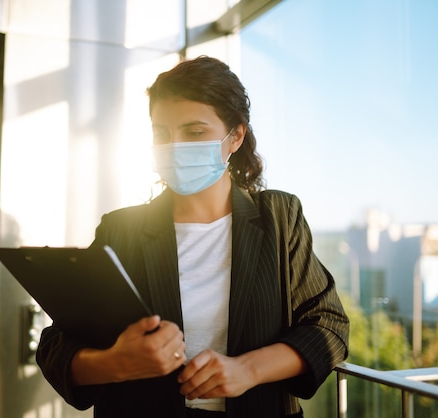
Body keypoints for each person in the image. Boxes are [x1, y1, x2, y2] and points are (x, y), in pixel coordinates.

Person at [36, 56, 349, 418]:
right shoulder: (121, 230)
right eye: (162, 133)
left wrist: (247, 370)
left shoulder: (279, 217)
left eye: (195, 132)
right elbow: (57, 346)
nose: (175, 146)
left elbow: (328, 325)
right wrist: (116, 363)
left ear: (236, 136)